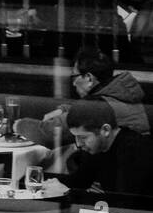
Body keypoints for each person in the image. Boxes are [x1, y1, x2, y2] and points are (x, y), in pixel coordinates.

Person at [17, 47, 150, 150]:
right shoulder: (121, 95)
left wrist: (17, 124)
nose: (73, 83)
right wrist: (63, 109)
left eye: (75, 77)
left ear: (89, 78)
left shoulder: (99, 107)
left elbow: (48, 134)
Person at [43, 100, 153, 200]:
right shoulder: (97, 148)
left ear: (105, 130)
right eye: (75, 137)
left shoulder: (136, 151)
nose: (78, 144)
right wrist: (51, 184)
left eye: (83, 137)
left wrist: (66, 192)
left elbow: (123, 203)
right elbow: (80, 180)